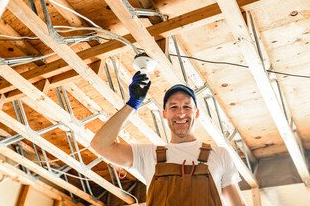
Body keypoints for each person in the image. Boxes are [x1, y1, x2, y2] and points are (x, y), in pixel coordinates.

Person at [91, 72, 246, 205]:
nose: (180, 113)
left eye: (187, 106)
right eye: (173, 107)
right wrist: (133, 103)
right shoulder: (147, 155)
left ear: (196, 113)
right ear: (164, 114)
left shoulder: (219, 155)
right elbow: (100, 145)